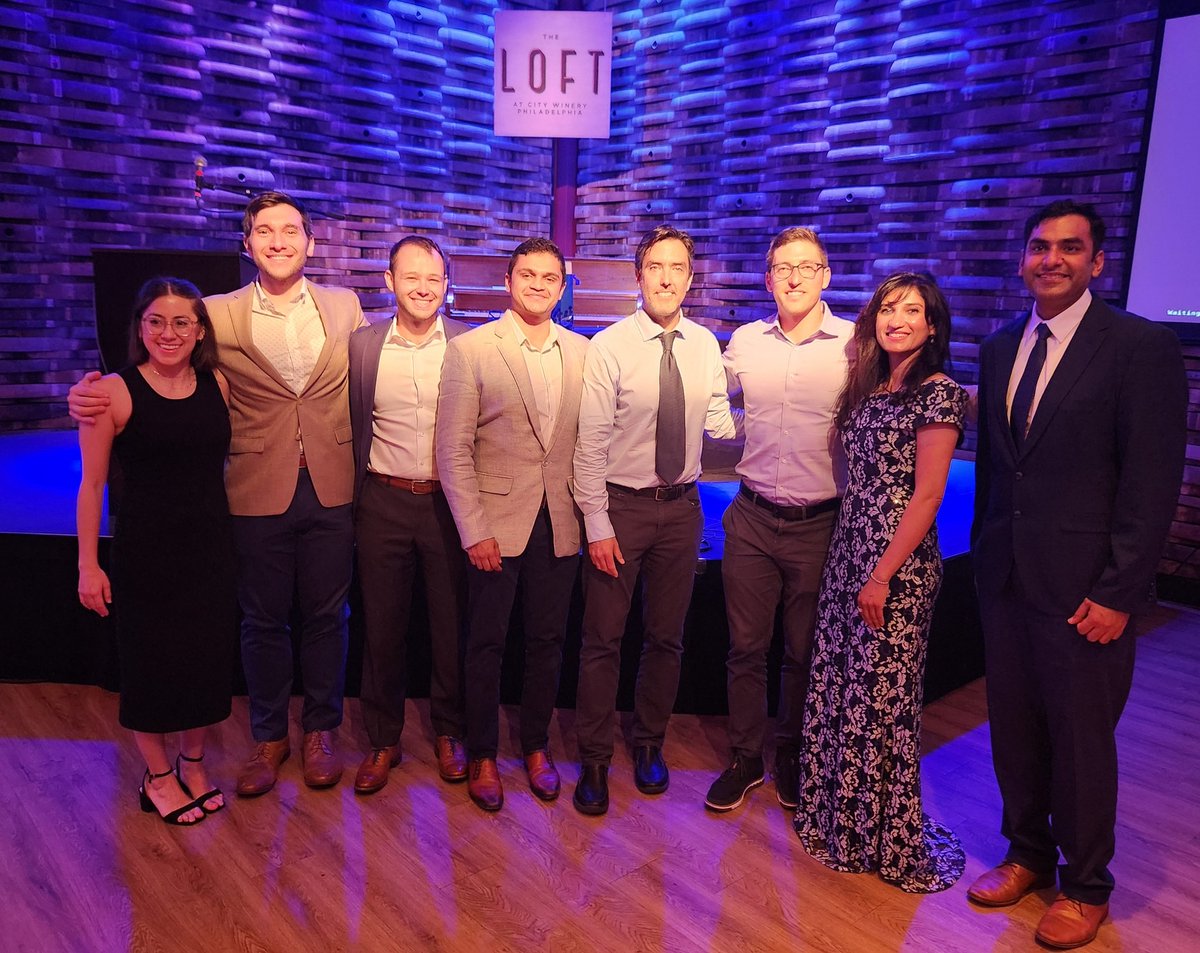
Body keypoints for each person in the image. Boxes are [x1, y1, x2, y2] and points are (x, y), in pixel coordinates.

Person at [71, 191, 365, 797]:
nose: (278, 240)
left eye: (290, 230)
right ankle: (267, 737)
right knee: (260, 620)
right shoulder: (218, 312)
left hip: (333, 485)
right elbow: (163, 358)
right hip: (254, 489)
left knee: (327, 617)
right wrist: (88, 391)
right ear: (248, 243)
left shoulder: (345, 305)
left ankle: (319, 733)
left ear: (310, 242)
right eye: (265, 230)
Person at [967, 201, 1186, 948]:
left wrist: (1121, 590)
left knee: (1083, 739)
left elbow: (1152, 484)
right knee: (1017, 732)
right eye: (1038, 246)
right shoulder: (1001, 347)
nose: (1050, 259)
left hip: (1085, 591)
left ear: (1098, 261)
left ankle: (1087, 884)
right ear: (1023, 258)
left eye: (1069, 247)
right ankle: (1027, 852)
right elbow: (1000, 473)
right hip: (1007, 581)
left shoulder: (1137, 347)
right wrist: (983, 567)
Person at [793, 271, 968, 893]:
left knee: (881, 697)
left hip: (894, 565)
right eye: (888, 309)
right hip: (849, 549)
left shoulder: (938, 393)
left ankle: (883, 834)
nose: (897, 319)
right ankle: (843, 820)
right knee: (844, 685)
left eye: (911, 310)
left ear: (932, 325)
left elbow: (928, 496)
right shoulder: (874, 387)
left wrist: (880, 576)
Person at [571, 225, 736, 816]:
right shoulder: (608, 346)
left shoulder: (704, 345)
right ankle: (593, 757)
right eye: (655, 267)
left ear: (690, 279)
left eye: (678, 268)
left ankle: (648, 744)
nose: (667, 277)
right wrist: (596, 522)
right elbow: (588, 445)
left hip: (681, 510)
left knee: (667, 638)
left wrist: (778, 404)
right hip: (621, 508)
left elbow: (719, 422)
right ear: (639, 276)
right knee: (602, 641)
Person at [435, 237, 589, 812]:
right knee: (486, 643)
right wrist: (473, 528)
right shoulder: (472, 349)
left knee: (548, 642)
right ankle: (481, 752)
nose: (539, 285)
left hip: (560, 520)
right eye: (528, 275)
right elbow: (452, 450)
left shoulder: (582, 351)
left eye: (550, 277)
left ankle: (534, 747)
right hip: (494, 523)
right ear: (508, 281)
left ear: (562, 285)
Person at [77, 277, 236, 825]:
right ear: (140, 327)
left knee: (204, 663)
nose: (168, 333)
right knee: (150, 667)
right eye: (156, 322)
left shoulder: (219, 384)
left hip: (211, 548)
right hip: (147, 553)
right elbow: (91, 485)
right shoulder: (112, 393)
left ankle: (192, 763)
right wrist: (88, 563)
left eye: (181, 323)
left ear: (199, 331)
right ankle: (158, 776)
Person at [705, 227, 854, 813]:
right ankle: (745, 757)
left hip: (821, 523)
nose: (794, 276)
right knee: (744, 648)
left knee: (802, 650)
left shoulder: (854, 343)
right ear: (769, 279)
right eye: (782, 267)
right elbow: (711, 394)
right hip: (752, 517)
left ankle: (791, 752)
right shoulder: (745, 340)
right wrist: (738, 433)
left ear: (826, 276)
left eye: (806, 266)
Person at [348, 236, 470, 794]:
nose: (423, 287)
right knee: (382, 625)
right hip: (384, 499)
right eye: (411, 276)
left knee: (451, 625)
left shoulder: (470, 345)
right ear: (390, 280)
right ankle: (383, 739)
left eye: (434, 278)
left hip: (450, 504)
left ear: (446, 285)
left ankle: (449, 732)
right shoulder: (363, 346)